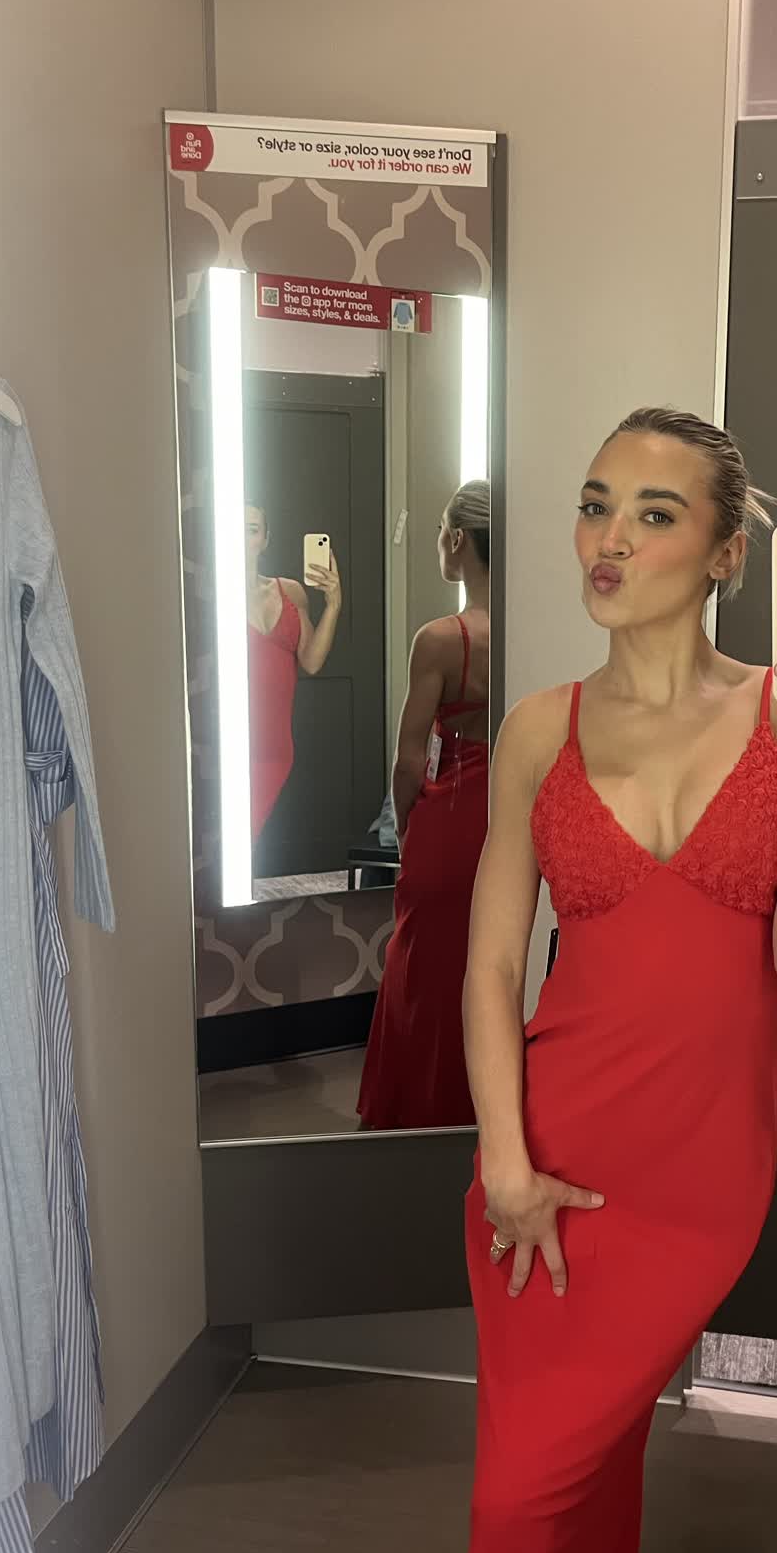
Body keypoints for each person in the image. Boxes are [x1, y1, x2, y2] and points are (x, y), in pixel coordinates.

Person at [430, 408, 777, 1553]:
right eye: (596, 505)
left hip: (697, 1179)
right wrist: (504, 1162)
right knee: (546, 1503)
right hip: (544, 1165)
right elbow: (490, 969)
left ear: (724, 556)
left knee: (533, 1499)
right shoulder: (538, 730)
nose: (610, 538)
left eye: (654, 514)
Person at [357, 482, 491, 1130]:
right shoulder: (529, 629)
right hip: (510, 816)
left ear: (457, 539)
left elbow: (409, 759)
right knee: (491, 966)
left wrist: (407, 827)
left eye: (440, 529)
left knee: (425, 965)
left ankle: (415, 1115)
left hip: (450, 814)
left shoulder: (441, 639)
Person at [244, 503, 342, 840]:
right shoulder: (210, 597)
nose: (243, 538)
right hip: (231, 744)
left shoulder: (291, 592)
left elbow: (311, 661)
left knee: (250, 838)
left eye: (252, 529)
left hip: (275, 748)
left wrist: (333, 604)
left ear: (265, 539)